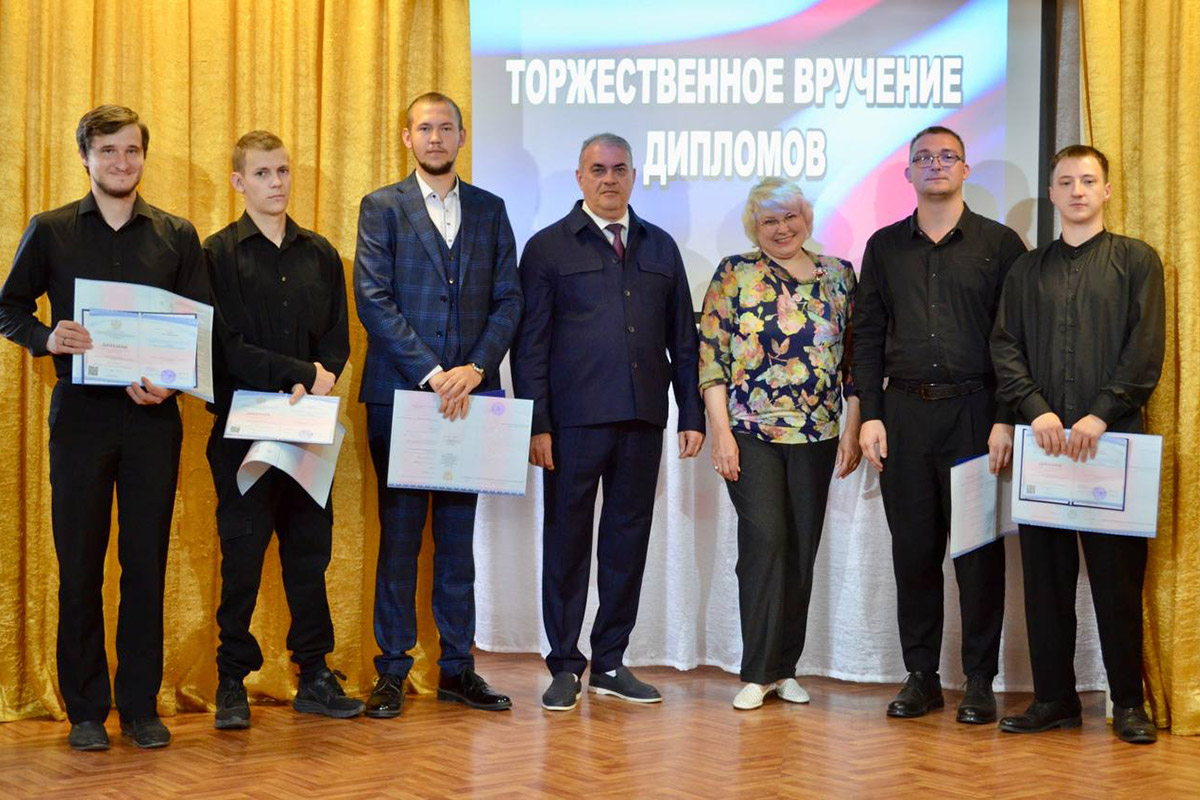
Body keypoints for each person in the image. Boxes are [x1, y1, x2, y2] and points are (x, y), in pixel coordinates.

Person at [0, 105, 208, 750]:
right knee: (80, 564)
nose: (122, 162)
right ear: (85, 157)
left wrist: (174, 382)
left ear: (145, 156)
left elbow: (201, 327)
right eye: (109, 151)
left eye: (132, 150)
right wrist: (45, 337)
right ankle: (86, 710)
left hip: (153, 420)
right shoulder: (52, 229)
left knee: (145, 564)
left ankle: (140, 706)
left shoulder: (177, 234)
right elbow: (8, 308)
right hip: (80, 419)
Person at [512, 133, 705, 712]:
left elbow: (684, 340)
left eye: (619, 169)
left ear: (634, 176)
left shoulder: (660, 247)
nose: (609, 179)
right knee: (567, 542)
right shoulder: (547, 248)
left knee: (626, 543)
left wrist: (690, 412)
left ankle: (611, 662)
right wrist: (537, 424)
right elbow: (530, 346)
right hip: (572, 425)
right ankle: (565, 665)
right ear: (580, 177)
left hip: (642, 420)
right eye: (597, 169)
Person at [354, 92, 523, 717]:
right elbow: (372, 298)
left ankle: (457, 669)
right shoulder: (381, 207)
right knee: (400, 540)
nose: (435, 137)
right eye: (424, 128)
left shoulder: (490, 209)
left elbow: (509, 299)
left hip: (471, 399)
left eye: (445, 127)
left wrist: (474, 369)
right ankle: (392, 670)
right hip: (402, 397)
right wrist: (433, 375)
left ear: (461, 137)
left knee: (457, 542)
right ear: (407, 137)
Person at [991, 145, 1164, 744]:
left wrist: (1100, 414)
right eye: (1066, 182)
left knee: (1118, 582)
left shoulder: (1137, 260)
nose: (1078, 191)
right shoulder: (1026, 270)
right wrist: (1034, 408)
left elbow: (1145, 350)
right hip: (1042, 445)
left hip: (1112, 444)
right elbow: (1005, 346)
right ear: (1052, 193)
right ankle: (1054, 699)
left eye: (1088, 180)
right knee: (1045, 581)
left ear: (1107, 190)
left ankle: (1129, 704)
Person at [853, 126, 1027, 723]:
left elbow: (1015, 340)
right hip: (902, 415)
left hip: (976, 414)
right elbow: (867, 336)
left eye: (946, 156)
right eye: (923, 158)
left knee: (977, 555)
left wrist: (1005, 418)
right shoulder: (883, 247)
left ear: (964, 169)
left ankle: (979, 679)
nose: (935, 165)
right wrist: (870, 415)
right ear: (908, 173)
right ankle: (922, 676)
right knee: (914, 551)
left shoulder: (1000, 244)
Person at [204, 131, 361, 729]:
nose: (276, 182)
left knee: (308, 552)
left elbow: (338, 340)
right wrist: (299, 373)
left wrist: (319, 378)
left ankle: (313, 675)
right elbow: (224, 346)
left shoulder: (319, 252)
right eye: (262, 173)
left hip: (305, 427)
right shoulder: (216, 254)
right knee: (242, 556)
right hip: (243, 430)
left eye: (283, 171)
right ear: (239, 182)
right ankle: (231, 680)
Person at [698, 178, 861, 710]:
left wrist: (853, 427)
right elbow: (712, 360)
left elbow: (854, 362)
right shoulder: (735, 273)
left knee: (800, 549)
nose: (782, 228)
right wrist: (721, 434)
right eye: (769, 220)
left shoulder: (839, 275)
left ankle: (785, 668)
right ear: (755, 228)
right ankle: (758, 671)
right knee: (765, 540)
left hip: (819, 434)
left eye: (790, 216)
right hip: (751, 433)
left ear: (807, 219)